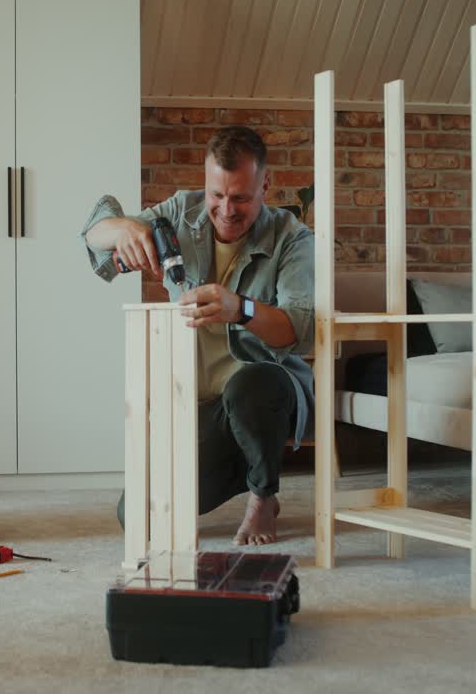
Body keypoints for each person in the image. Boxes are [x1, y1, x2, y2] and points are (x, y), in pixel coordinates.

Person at [81, 125, 313, 545]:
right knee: (136, 515)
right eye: (216, 195)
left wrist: (239, 309)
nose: (226, 210)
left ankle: (263, 495)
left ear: (265, 185)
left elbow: (299, 330)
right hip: (201, 406)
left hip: (266, 391)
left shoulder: (291, 237)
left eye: (240, 197)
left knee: (252, 385)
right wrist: (123, 230)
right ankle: (248, 464)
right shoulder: (179, 213)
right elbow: (94, 237)